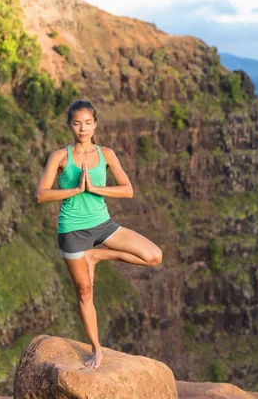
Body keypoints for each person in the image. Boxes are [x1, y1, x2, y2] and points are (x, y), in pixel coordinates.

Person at [35, 99, 163, 369]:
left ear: (96, 125)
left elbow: (127, 190)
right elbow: (41, 194)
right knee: (84, 291)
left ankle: (96, 256)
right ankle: (96, 348)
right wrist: (75, 189)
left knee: (154, 257)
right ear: (70, 125)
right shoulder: (60, 157)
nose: (83, 128)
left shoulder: (106, 154)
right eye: (77, 123)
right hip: (72, 229)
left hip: (103, 224)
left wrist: (94, 188)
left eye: (88, 123)